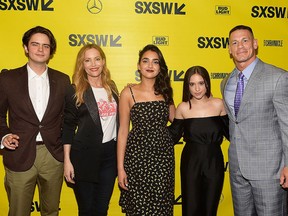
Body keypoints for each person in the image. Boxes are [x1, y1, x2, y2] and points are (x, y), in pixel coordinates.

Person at [0, 26, 70, 216]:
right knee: (18, 212)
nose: (40, 49)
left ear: (51, 51)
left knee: (51, 211)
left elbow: (69, 118)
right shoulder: (7, 79)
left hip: (53, 155)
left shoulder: (63, 80)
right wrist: (4, 135)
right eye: (35, 44)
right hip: (19, 153)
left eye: (46, 46)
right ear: (25, 48)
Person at [221, 25, 288, 216]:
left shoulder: (278, 78)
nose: (240, 46)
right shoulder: (226, 82)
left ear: (255, 44)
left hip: (269, 170)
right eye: (234, 42)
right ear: (229, 49)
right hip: (237, 169)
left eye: (245, 40)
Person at [117, 44, 175, 215]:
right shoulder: (128, 93)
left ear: (160, 67)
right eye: (146, 61)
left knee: (161, 207)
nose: (150, 66)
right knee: (138, 208)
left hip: (163, 160)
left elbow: (178, 119)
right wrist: (120, 168)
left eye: (155, 62)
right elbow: (122, 132)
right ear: (138, 66)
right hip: (136, 160)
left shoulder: (165, 93)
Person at [62, 44, 119, 216]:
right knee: (86, 210)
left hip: (110, 156)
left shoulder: (112, 87)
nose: (93, 64)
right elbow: (68, 126)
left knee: (102, 209)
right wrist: (67, 161)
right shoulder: (76, 90)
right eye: (87, 60)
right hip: (84, 156)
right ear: (82, 64)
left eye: (97, 59)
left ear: (103, 61)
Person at [169, 66, 229, 216]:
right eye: (192, 84)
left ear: (207, 83)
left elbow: (233, 133)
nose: (197, 89)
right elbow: (172, 136)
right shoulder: (183, 107)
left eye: (201, 83)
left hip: (214, 162)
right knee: (190, 209)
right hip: (191, 163)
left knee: (210, 209)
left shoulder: (219, 104)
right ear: (187, 86)